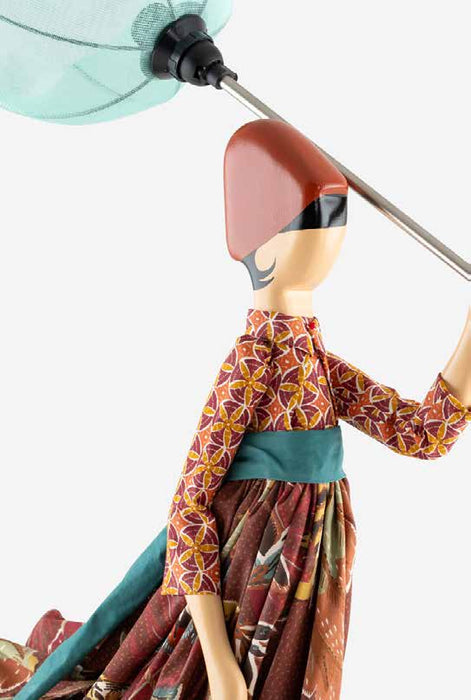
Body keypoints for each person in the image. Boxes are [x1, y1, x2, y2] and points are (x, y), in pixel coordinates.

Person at [1, 120, 469, 700]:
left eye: (334, 225)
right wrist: (219, 660)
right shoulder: (253, 362)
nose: (332, 240)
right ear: (266, 247)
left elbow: (422, 434)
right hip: (242, 587)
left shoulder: (316, 362)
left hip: (304, 579)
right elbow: (188, 507)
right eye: (316, 225)